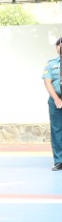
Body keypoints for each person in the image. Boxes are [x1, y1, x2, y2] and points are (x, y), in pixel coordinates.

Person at [47, 38, 62, 172]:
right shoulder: (51, 64)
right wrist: (57, 98)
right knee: (57, 131)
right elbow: (47, 82)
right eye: (59, 45)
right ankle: (59, 161)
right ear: (57, 48)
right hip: (56, 100)